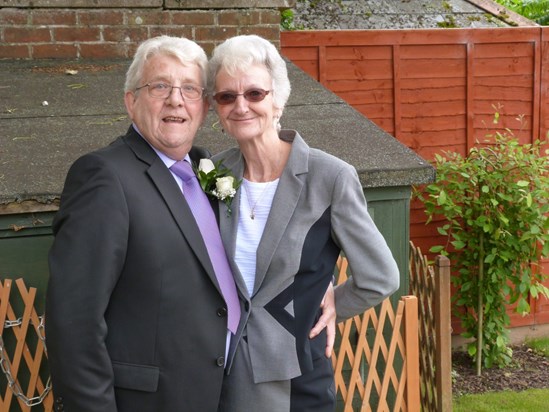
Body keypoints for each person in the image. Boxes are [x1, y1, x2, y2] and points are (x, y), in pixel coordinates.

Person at [45, 34, 335, 412]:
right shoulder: (104, 176)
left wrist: (320, 284)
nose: (175, 99)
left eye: (190, 89)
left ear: (203, 108)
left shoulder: (208, 170)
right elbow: (74, 323)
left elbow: (259, 239)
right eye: (159, 86)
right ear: (131, 102)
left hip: (230, 391)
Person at [207, 34, 401, 412]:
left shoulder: (329, 177)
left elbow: (381, 275)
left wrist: (332, 303)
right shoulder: (212, 173)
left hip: (294, 372)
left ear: (278, 98)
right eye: (227, 96)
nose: (240, 106)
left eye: (255, 94)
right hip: (219, 370)